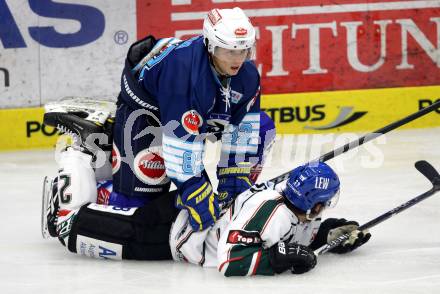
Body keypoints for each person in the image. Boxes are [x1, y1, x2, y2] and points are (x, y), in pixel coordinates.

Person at [42, 7, 276, 260]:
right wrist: (196, 190)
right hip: (146, 107)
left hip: (195, 108)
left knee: (262, 127)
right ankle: (94, 160)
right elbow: (182, 149)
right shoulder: (185, 75)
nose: (237, 59)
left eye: (243, 50)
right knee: (136, 206)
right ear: (210, 45)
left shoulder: (248, 76)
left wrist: (234, 191)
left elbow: (244, 131)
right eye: (228, 50)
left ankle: (117, 156)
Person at [169, 162, 371, 276]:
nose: (325, 207)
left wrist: (327, 235)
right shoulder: (274, 213)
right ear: (316, 205)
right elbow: (229, 260)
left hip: (193, 218)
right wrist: (276, 259)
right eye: (326, 201)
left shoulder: (299, 205)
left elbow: (288, 237)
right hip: (170, 232)